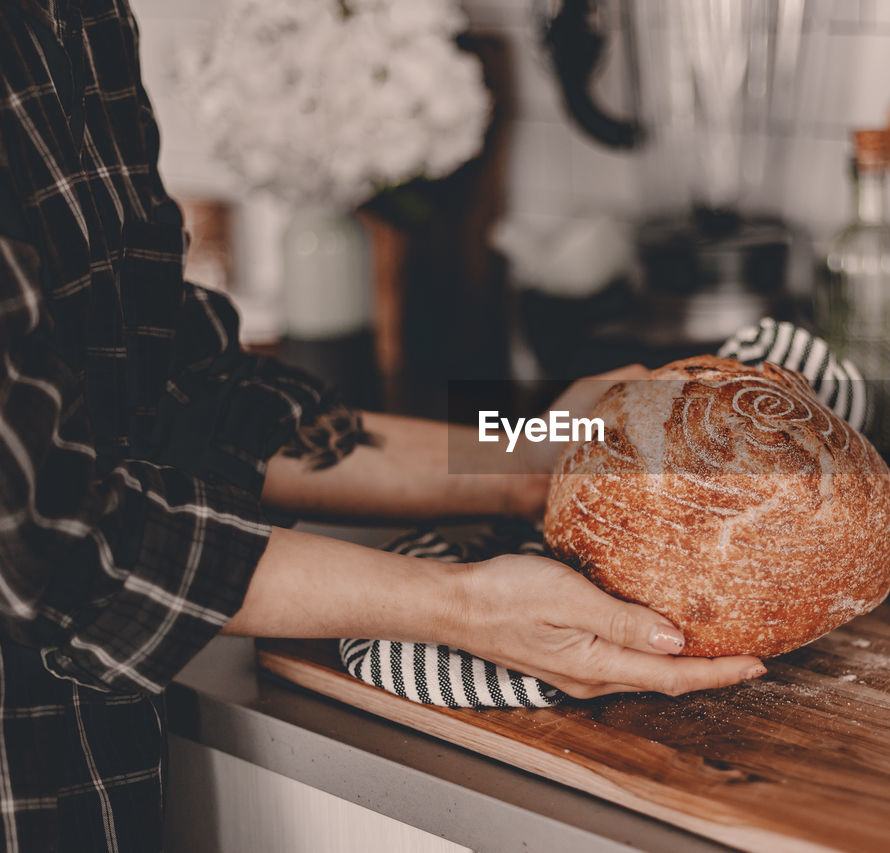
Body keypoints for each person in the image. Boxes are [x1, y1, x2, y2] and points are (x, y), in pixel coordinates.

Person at [0, 1, 764, 848]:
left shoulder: (78, 20)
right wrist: (461, 607)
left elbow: (183, 399)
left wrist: (524, 458)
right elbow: (50, 538)